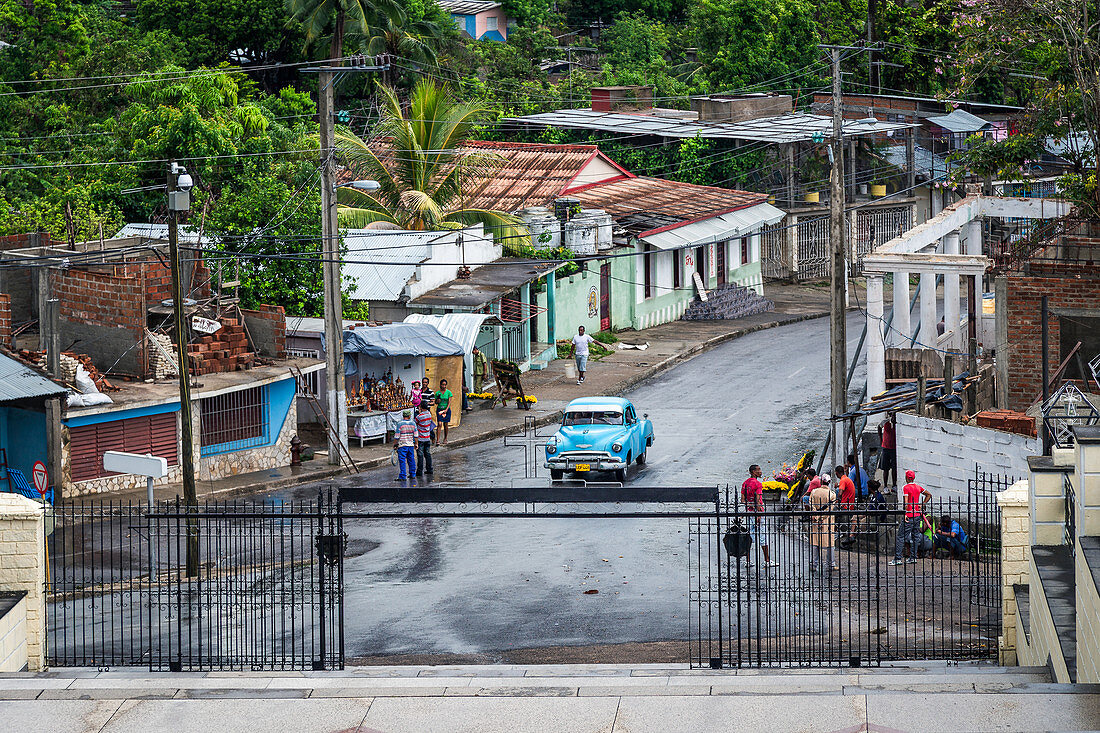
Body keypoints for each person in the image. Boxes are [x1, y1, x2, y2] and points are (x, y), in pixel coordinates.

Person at [891, 470, 932, 565]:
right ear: (913, 478)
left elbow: (906, 502)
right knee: (915, 536)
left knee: (901, 536)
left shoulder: (905, 487)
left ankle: (897, 558)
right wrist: (922, 504)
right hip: (917, 514)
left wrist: (906, 513)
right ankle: (913, 557)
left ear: (906, 478)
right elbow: (929, 495)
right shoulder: (918, 487)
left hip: (909, 515)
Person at [741, 464, 775, 568]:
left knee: (750, 536)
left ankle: (747, 560)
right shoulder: (757, 484)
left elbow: (743, 500)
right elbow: (759, 500)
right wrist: (759, 514)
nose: (760, 471)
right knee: (763, 536)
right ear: (753, 472)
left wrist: (750, 505)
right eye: (758, 470)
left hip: (749, 512)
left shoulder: (745, 483)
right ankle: (767, 560)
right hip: (758, 513)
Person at [807, 475, 838, 573]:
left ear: (821, 481)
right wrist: (822, 518)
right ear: (829, 482)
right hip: (827, 521)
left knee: (815, 543)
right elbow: (830, 509)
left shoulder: (814, 492)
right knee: (830, 543)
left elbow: (811, 505)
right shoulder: (832, 494)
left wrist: (816, 517)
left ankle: (813, 564)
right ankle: (831, 564)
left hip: (815, 520)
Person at [393, 409, 418, 481]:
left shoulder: (400, 424)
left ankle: (403, 476)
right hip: (410, 445)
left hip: (402, 445)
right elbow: (416, 435)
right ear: (409, 416)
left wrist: (395, 444)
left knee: (402, 460)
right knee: (411, 459)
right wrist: (416, 444)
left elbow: (397, 436)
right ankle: (412, 474)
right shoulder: (413, 424)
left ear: (403, 416)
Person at [835, 465, 856, 543]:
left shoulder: (843, 480)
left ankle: (835, 531)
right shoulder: (846, 479)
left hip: (846, 505)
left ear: (837, 473)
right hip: (850, 504)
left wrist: (838, 499)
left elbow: (840, 493)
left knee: (832, 513)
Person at [414, 402, 435, 477]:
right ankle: (429, 469)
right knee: (427, 454)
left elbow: (415, 423)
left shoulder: (419, 416)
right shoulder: (429, 414)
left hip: (420, 438)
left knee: (420, 455)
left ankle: (419, 471)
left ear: (421, 407)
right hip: (427, 437)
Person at [878, 413, 898, 490]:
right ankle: (885, 486)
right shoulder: (886, 422)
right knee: (885, 468)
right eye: (892, 416)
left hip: (894, 448)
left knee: (894, 468)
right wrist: (880, 438)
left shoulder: (897, 424)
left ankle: (894, 485)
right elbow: (879, 427)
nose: (893, 418)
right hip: (886, 448)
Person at [435, 378, 453, 445]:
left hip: (446, 409)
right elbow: (435, 402)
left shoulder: (449, 392)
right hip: (440, 409)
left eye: (445, 385)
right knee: (439, 424)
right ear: (440, 385)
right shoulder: (437, 393)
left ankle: (445, 438)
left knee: (446, 424)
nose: (444, 386)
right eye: (442, 385)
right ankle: (437, 440)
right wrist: (437, 401)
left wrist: (446, 410)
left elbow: (449, 402)